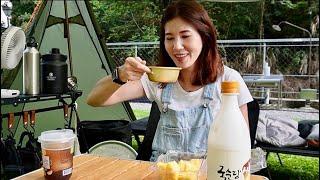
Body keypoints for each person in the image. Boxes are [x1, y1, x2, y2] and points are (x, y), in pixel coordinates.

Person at [87, 0, 253, 161]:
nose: (177, 46)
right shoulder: (157, 79)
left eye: (185, 36)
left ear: (204, 36)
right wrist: (120, 74)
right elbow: (95, 99)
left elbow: (242, 146)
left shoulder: (228, 80)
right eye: (170, 38)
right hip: (163, 173)